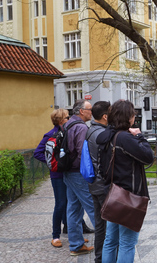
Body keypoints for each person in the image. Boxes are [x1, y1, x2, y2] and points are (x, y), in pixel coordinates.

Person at [97, 99, 154, 263]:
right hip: (128, 197)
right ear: (127, 117)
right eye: (132, 114)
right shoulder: (124, 138)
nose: (134, 116)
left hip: (113, 194)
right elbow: (148, 157)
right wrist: (140, 136)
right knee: (127, 243)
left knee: (110, 241)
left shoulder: (108, 135)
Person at [64, 99, 96, 256]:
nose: (92, 112)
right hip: (78, 173)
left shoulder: (68, 124)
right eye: (89, 109)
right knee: (92, 206)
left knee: (73, 209)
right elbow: (81, 153)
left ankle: (76, 245)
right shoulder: (81, 127)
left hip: (67, 172)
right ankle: (109, 243)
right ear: (81, 111)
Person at [33, 109, 70, 248]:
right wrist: (52, 163)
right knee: (60, 204)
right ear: (61, 120)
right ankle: (55, 236)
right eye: (67, 117)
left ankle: (72, 232)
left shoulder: (66, 133)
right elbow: (37, 153)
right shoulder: (50, 135)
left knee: (70, 203)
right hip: (57, 176)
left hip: (68, 174)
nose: (69, 119)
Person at [86, 101, 110, 263]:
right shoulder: (101, 134)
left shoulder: (90, 130)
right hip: (102, 185)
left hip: (94, 183)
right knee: (107, 226)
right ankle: (104, 258)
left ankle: (99, 258)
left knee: (100, 224)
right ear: (105, 116)